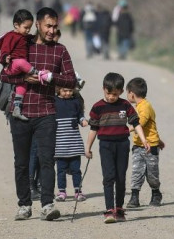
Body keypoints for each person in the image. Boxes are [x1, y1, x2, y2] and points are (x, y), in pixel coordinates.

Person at [1, 7, 77, 221]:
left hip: (46, 112)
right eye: (48, 26)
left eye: (55, 26)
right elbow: (4, 74)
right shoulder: (23, 44)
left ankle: (47, 205)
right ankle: (24, 205)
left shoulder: (60, 51)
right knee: (21, 163)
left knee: (46, 160)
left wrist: (52, 77)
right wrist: (24, 80)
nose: (52, 31)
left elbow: (71, 80)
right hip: (20, 112)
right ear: (38, 25)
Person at [85, 72, 150, 224]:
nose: (111, 97)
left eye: (115, 94)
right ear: (103, 89)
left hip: (122, 144)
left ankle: (119, 209)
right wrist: (88, 148)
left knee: (120, 177)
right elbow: (93, 129)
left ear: (121, 92)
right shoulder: (98, 107)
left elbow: (136, 123)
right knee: (109, 177)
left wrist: (144, 140)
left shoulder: (125, 105)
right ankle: (109, 210)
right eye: (109, 93)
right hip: (105, 146)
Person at [0, 9, 51, 121]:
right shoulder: (10, 36)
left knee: (22, 84)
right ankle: (38, 73)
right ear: (16, 25)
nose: (28, 30)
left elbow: (33, 38)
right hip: (12, 66)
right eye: (26, 27)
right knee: (20, 61)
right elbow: (4, 49)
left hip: (21, 70)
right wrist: (5, 58)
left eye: (30, 28)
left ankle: (17, 107)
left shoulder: (24, 36)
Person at [125, 77, 164, 208]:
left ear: (131, 93)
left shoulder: (145, 107)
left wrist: (126, 129)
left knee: (152, 174)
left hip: (150, 147)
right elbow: (150, 128)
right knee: (136, 172)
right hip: (138, 146)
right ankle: (134, 197)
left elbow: (140, 123)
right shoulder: (138, 106)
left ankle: (156, 193)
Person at [54, 85, 88, 202]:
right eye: (65, 90)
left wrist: (83, 120)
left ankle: (78, 192)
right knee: (61, 171)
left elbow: (79, 115)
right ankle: (62, 192)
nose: (68, 93)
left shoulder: (75, 102)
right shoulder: (54, 101)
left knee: (76, 170)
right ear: (59, 89)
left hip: (74, 144)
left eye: (70, 90)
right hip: (60, 145)